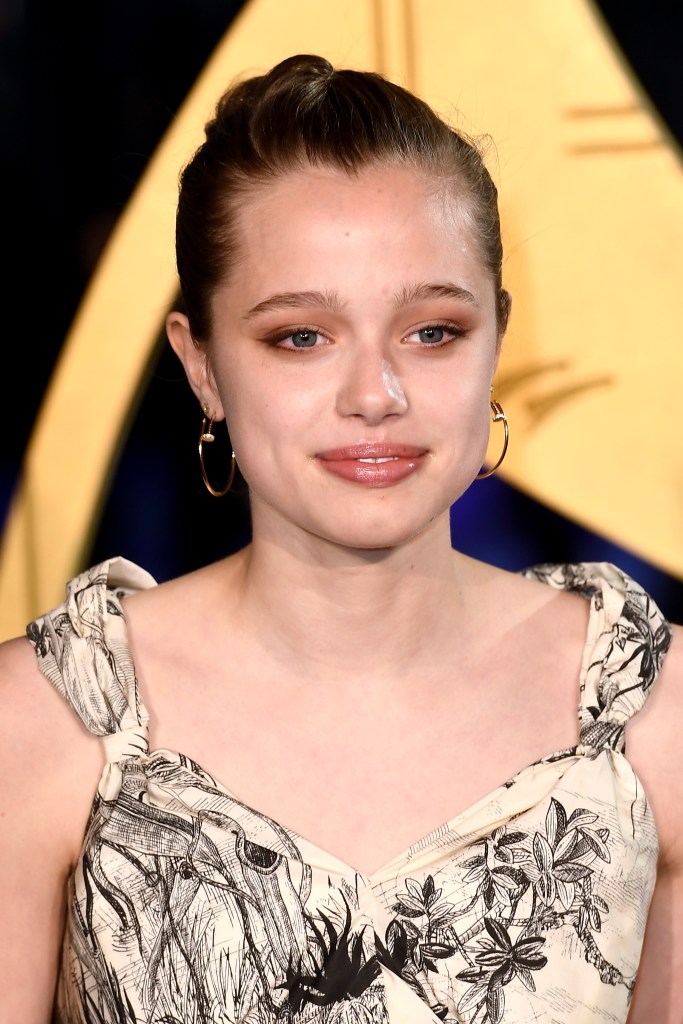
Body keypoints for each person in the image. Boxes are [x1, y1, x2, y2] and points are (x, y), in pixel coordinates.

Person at [0, 53, 681, 1024]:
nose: (375, 395)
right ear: (200, 367)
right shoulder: (40, 727)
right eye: (300, 336)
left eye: (432, 330)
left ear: (497, 336)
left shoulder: (652, 717)